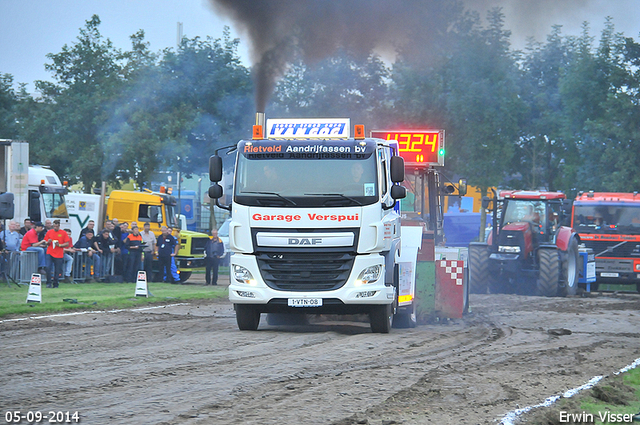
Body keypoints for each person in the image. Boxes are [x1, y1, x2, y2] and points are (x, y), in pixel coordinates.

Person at [44, 219, 71, 288]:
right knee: (48, 267)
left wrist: (59, 245)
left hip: (58, 253)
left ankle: (56, 283)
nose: (55, 228)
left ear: (59, 226)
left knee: (57, 269)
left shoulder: (63, 233)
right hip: (50, 252)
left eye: (57, 226)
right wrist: (48, 242)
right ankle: (48, 282)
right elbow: (45, 243)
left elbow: (67, 243)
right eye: (54, 226)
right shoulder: (49, 232)